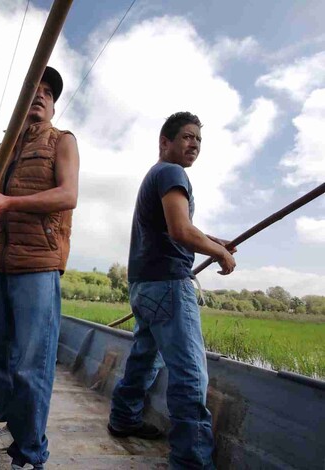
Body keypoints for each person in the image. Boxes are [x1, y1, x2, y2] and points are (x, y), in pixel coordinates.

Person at [0, 66, 79, 470]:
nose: (40, 97)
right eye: (33, 91)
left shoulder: (62, 142)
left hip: (38, 266)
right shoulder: (3, 149)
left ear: (54, 104)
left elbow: (67, 195)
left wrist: (9, 204)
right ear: (22, 101)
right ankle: (19, 428)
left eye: (48, 92)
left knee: (31, 366)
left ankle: (31, 455)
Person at [108, 112, 236, 469]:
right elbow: (180, 230)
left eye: (198, 140)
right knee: (191, 375)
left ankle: (123, 417)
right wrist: (220, 252)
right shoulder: (171, 172)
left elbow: (175, 227)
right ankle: (192, 461)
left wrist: (213, 240)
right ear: (165, 142)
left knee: (145, 357)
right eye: (186, 137)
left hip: (144, 286)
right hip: (167, 284)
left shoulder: (157, 175)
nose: (193, 144)